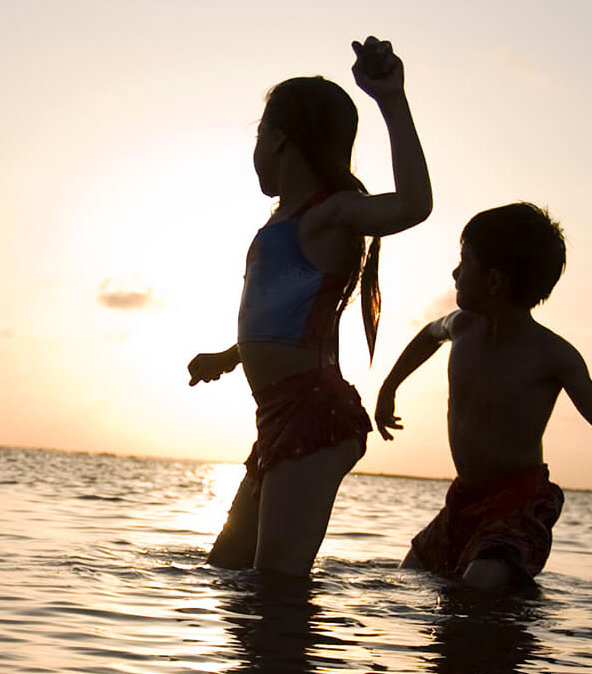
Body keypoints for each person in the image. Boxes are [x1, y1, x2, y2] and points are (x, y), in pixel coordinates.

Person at [188, 36, 432, 576]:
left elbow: (415, 204)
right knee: (228, 569)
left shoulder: (331, 214)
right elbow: (283, 316)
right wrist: (230, 357)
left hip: (313, 415)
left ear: (276, 140)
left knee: (275, 584)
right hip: (278, 419)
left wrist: (391, 100)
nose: (254, 147)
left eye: (257, 135)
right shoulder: (280, 223)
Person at [375, 202, 592, 591]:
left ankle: (509, 589)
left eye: (464, 261)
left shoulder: (552, 355)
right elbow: (428, 336)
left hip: (517, 503)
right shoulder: (461, 327)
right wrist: (389, 388)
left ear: (495, 281)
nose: (454, 272)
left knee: (477, 588)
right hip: (464, 498)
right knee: (405, 581)